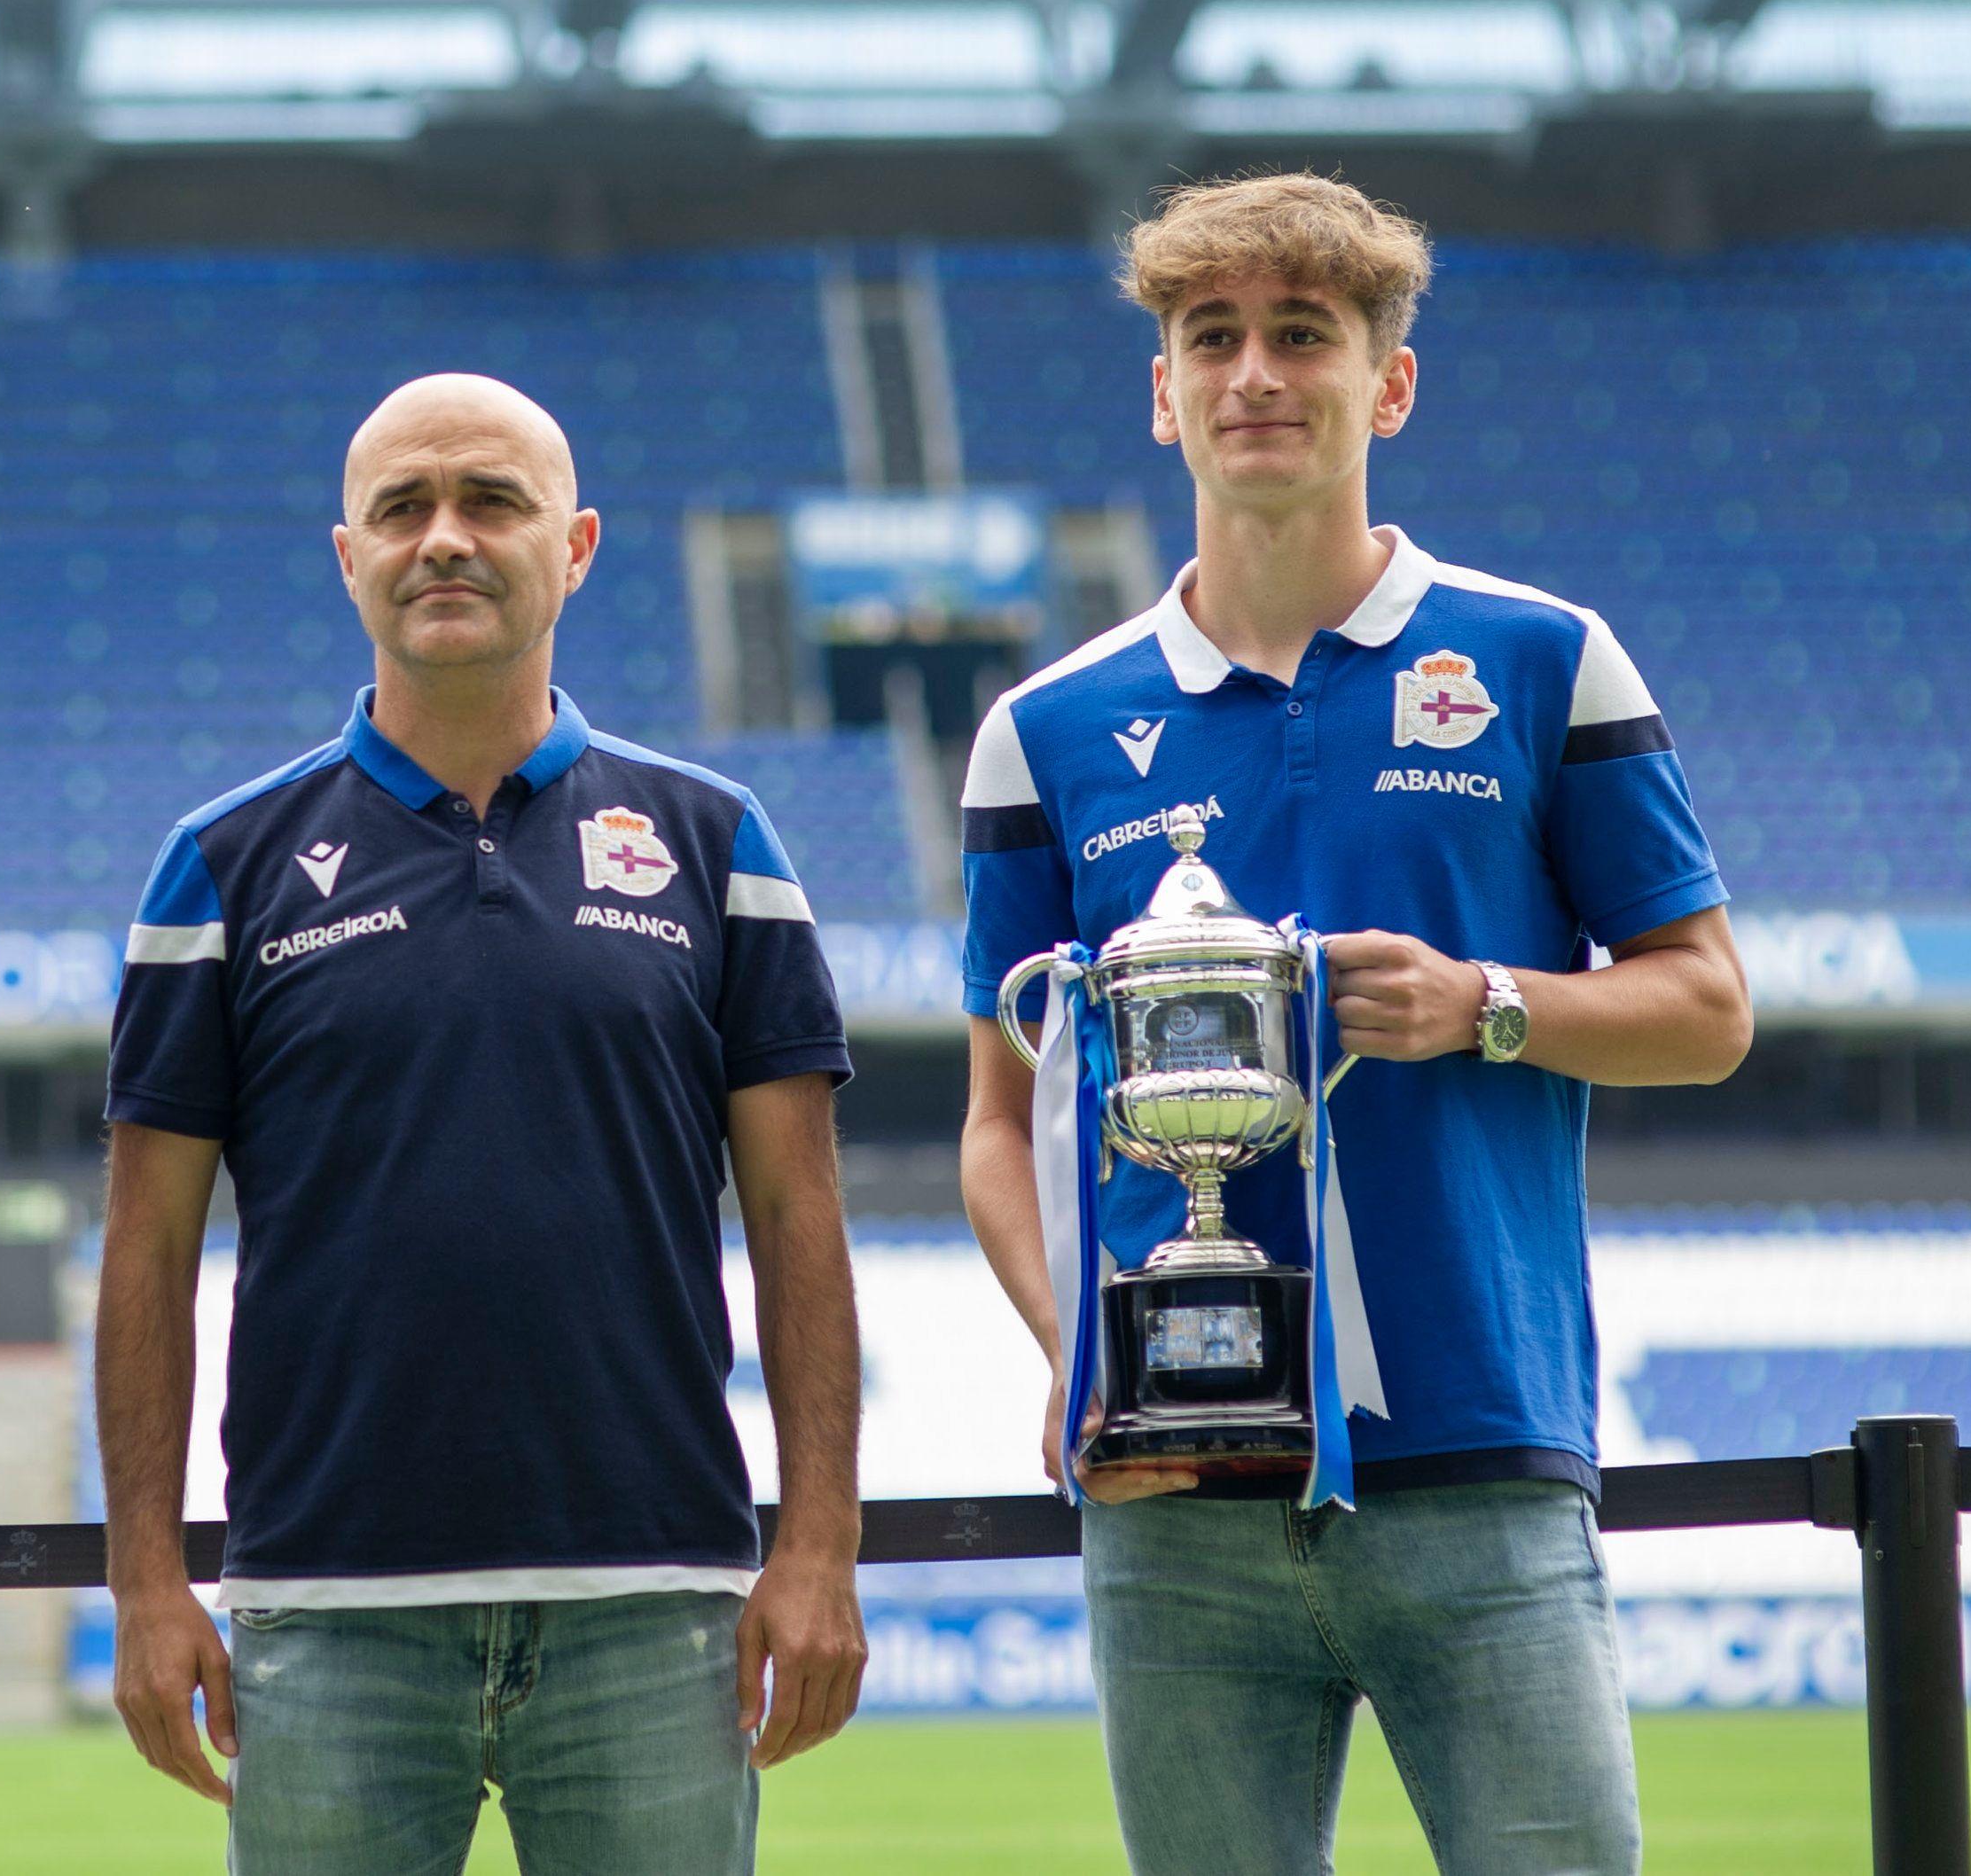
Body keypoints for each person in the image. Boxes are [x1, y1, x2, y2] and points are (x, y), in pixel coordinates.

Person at [957, 173, 1752, 1876]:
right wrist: (1074, 1354)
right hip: (1174, 1499)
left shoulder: (1546, 660)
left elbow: (1707, 1009)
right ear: (1160, 388)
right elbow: (995, 1112)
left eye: (1301, 335)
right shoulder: (1046, 729)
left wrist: (1493, 1007)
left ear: (1388, 385)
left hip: (1481, 1460)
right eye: (1211, 337)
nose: (1253, 372)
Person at [95, 371, 868, 1876]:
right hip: (327, 1622)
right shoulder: (220, 863)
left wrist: (821, 1544)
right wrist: (144, 1580)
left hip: (654, 1615)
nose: (444, 538)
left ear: (574, 544)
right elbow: (147, 1248)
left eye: (491, 502)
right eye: (404, 508)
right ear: (348, 556)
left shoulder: (721, 843)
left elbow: (796, 1217)